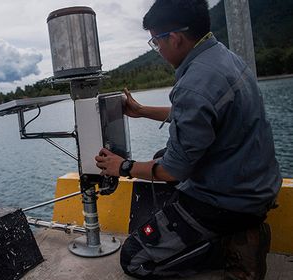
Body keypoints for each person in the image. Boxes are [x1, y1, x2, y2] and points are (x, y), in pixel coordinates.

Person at [94, 0, 282, 279]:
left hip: (228, 202)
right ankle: (236, 231)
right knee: (160, 155)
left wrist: (123, 167)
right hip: (254, 186)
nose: (157, 49)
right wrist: (143, 111)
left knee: (134, 259)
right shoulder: (222, 57)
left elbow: (173, 170)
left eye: (156, 42)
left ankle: (234, 251)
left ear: (175, 38)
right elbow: (203, 114)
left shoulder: (195, 83)